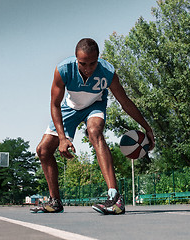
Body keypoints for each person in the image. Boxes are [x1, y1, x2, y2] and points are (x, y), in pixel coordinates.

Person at [30, 38, 155, 215]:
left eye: (92, 63)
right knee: (43, 150)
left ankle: (115, 198)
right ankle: (55, 201)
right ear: (76, 59)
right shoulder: (63, 70)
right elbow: (55, 104)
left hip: (95, 105)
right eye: (83, 63)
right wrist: (63, 138)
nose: (88, 68)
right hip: (70, 108)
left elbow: (125, 102)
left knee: (95, 132)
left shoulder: (107, 72)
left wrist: (147, 128)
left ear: (98, 58)